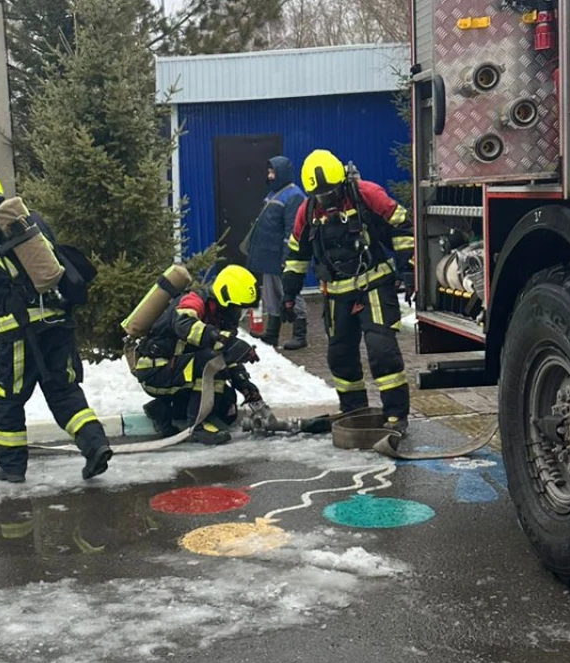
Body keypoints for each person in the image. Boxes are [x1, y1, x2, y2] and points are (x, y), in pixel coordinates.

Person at [0, 164, 112, 484]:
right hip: (58, 323)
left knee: (8, 397)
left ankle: (11, 467)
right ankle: (95, 445)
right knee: (64, 391)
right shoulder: (32, 220)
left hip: (18, 334)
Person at [282, 149, 414, 434]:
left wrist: (409, 269)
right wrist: (289, 295)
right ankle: (354, 410)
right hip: (336, 293)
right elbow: (296, 255)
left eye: (331, 193)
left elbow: (402, 223)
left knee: (381, 350)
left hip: (373, 284)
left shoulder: (365, 194)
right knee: (339, 355)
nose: (327, 201)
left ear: (341, 182)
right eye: (321, 196)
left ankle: (396, 415)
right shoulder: (307, 211)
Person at [131, 264, 264, 446]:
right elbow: (184, 324)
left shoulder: (221, 316)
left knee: (227, 407)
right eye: (237, 307)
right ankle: (198, 426)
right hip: (156, 369)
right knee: (211, 361)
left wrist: (244, 383)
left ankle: (163, 410)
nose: (238, 313)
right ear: (224, 297)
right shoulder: (193, 300)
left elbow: (226, 355)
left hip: (178, 371)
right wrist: (222, 339)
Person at [245, 156, 307, 349]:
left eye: (272, 172)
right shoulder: (273, 194)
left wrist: (287, 257)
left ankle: (300, 334)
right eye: (269, 172)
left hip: (282, 257)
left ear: (281, 173)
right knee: (271, 295)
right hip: (268, 257)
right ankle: (272, 334)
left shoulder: (294, 195)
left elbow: (293, 230)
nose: (269, 176)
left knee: (290, 291)